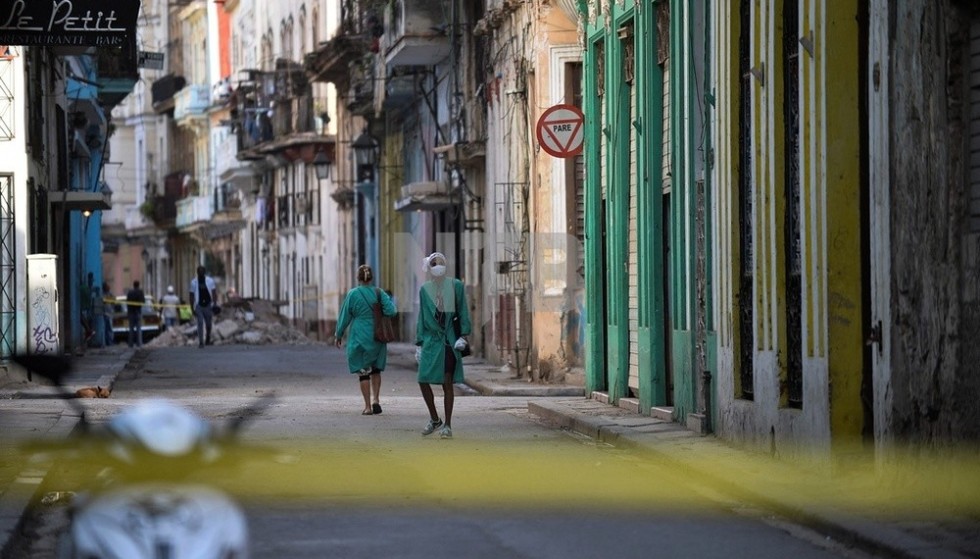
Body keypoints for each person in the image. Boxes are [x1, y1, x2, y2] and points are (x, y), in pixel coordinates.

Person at [415, 252, 471, 439]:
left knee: (447, 382)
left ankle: (447, 424)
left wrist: (463, 334)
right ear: (429, 271)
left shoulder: (456, 286)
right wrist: (419, 343)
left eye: (440, 266)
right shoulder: (425, 290)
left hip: (449, 339)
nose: (437, 271)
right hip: (431, 340)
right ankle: (434, 418)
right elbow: (422, 317)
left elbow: (463, 309)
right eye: (434, 266)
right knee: (423, 379)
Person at [335, 264, 396, 415]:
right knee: (376, 369)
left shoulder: (353, 294)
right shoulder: (379, 293)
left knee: (363, 371)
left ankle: (368, 407)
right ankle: (376, 399)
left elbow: (345, 316)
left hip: (359, 335)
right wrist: (379, 311)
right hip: (377, 334)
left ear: (358, 278)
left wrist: (339, 333)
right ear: (372, 278)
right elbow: (391, 310)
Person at [190, 266, 218, 348]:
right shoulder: (193, 282)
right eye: (199, 271)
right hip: (199, 305)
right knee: (200, 322)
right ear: (197, 272)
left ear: (204, 272)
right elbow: (191, 295)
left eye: (202, 271)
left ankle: (208, 337)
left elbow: (214, 293)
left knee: (208, 324)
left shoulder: (210, 281)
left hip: (208, 305)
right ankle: (201, 342)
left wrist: (215, 304)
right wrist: (192, 308)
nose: (201, 273)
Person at [125, 280, 146, 348]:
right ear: (138, 285)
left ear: (133, 285)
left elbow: (127, 302)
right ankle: (139, 344)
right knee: (138, 328)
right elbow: (143, 301)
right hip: (138, 312)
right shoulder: (140, 292)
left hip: (131, 312)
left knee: (131, 329)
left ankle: (130, 344)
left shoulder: (130, 292)